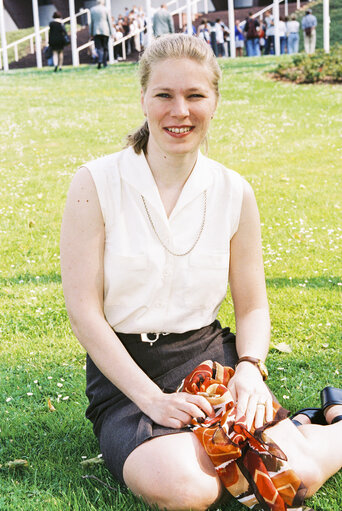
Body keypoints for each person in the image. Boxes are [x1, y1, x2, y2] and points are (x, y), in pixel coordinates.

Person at [60, 34, 342, 511]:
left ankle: (326, 424)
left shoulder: (234, 191)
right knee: (186, 487)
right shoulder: (96, 182)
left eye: (195, 96)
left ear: (215, 101)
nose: (180, 111)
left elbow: (252, 306)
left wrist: (250, 368)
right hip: (127, 375)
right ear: (143, 98)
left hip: (211, 360)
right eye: (165, 95)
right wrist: (153, 400)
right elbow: (84, 313)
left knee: (298, 477)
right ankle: (298, 429)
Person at [89, 0, 113, 69]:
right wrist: (111, 32)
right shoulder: (106, 9)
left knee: (98, 47)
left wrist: (91, 33)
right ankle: (104, 62)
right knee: (105, 47)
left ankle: (99, 60)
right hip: (105, 31)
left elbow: (91, 22)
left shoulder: (92, 10)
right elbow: (109, 21)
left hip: (96, 31)